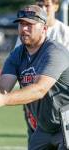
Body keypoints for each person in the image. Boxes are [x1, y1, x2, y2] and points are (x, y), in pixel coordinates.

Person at [0, 4, 69, 150]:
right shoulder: (17, 54)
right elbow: (2, 86)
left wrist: (4, 100)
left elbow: (39, 89)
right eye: (21, 24)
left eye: (29, 24)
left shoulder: (55, 52)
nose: (24, 29)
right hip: (44, 128)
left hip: (67, 124)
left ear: (44, 28)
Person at [14, 0, 69, 142]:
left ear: (56, 6)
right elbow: (20, 64)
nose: (43, 8)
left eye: (47, 5)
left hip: (60, 102)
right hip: (35, 102)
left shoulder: (65, 33)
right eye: (40, 4)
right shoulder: (26, 35)